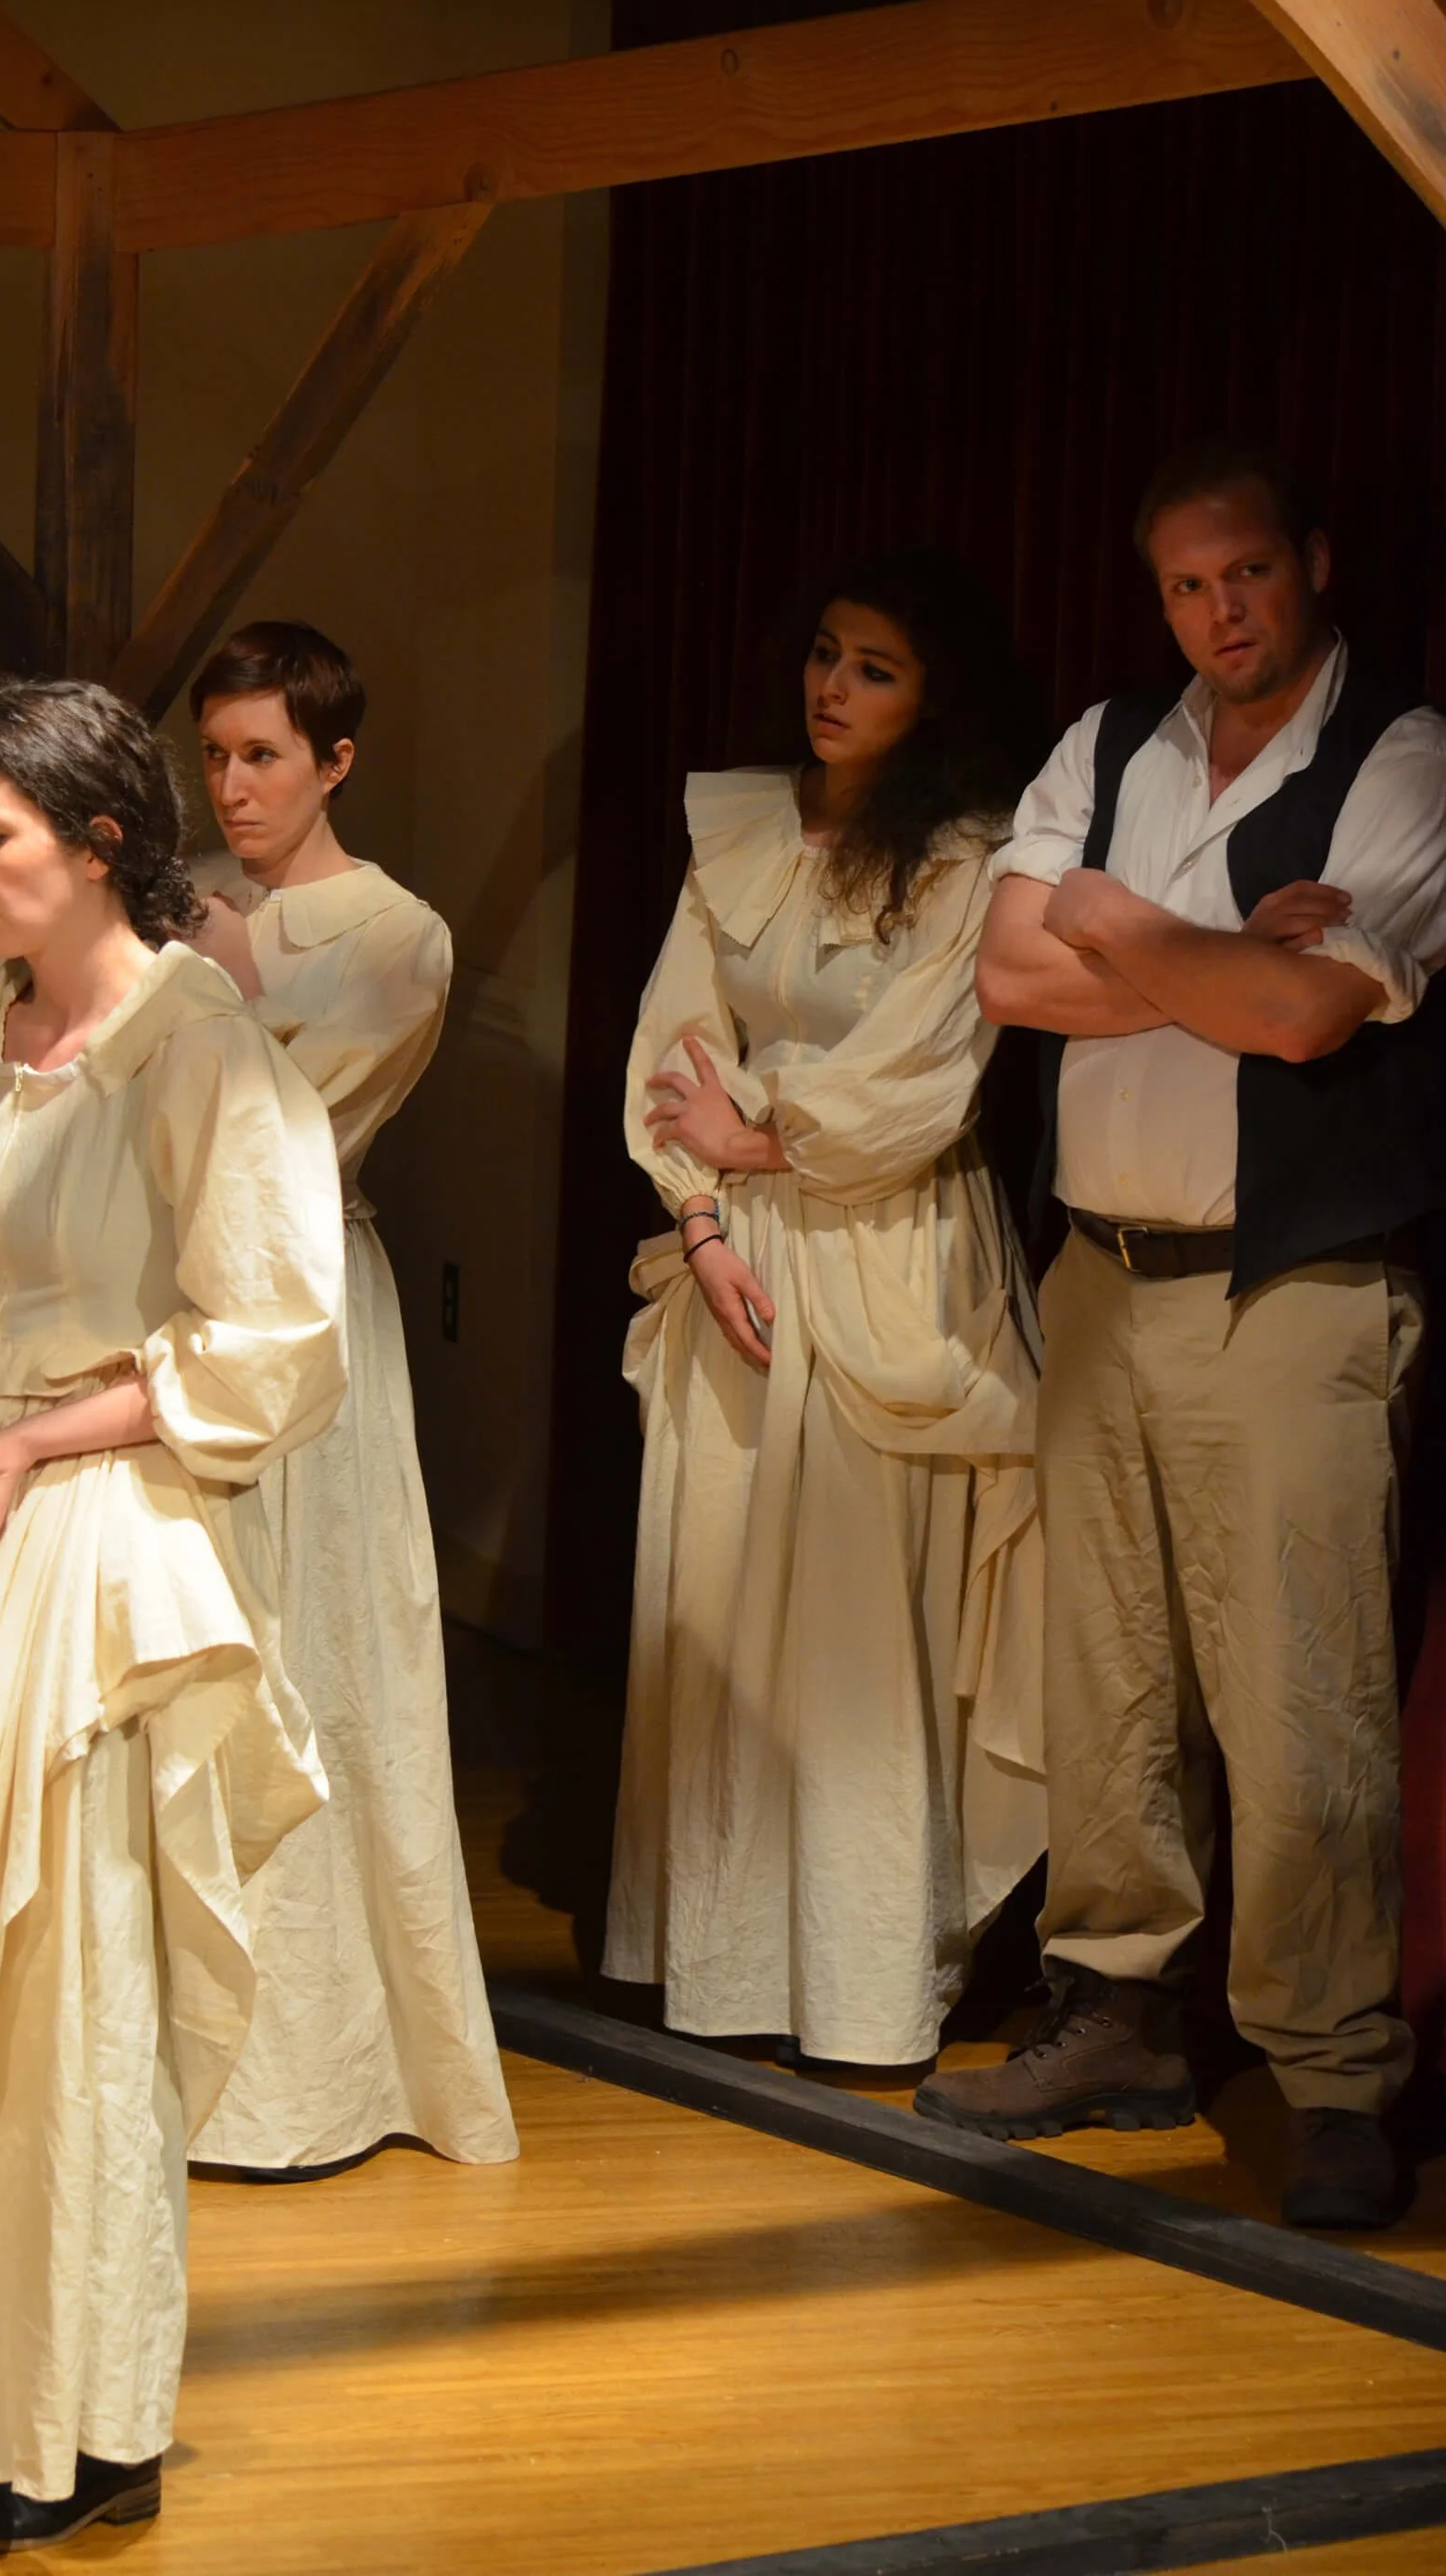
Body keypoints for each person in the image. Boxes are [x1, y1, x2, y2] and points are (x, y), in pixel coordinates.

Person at [0, 678, 347, 2552]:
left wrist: (34, 1445)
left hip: (105, 1540)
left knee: (63, 1990)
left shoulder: (200, 1047)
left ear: (101, 843)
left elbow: (267, 1331)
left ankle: (71, 2424)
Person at [916, 438, 1446, 2233]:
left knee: (1303, 1703)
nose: (1219, 613)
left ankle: (1328, 2071)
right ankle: (1120, 2014)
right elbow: (1004, 981)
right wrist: (1216, 950)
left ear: (1312, 560)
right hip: (1102, 1269)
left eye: (1247, 575)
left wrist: (1127, 926)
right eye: (1185, 586)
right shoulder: (1105, 741)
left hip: (1288, 1282)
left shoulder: (1400, 756)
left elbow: (1304, 1018)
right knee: (1111, 1680)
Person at [605, 551, 1049, 2068]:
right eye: (826, 653)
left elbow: (930, 1064)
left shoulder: (968, 858)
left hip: (889, 1250)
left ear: (937, 697)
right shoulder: (741, 829)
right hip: (742, 1248)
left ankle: (864, 1984)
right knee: (729, 1607)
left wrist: (769, 1133)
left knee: (860, 1628)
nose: (832, 685)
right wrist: (703, 1208)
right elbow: (678, 1038)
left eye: (875, 666)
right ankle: (725, 1967)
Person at [186, 621, 517, 2172]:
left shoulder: (397, 934)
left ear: (334, 760)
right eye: (218, 755)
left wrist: (232, 984)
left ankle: (315, 2071)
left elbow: (281, 1142)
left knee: (316, 1655)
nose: (236, 786)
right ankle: (171, 2056)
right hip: (172, 1312)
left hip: (305, 1298)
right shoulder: (188, 902)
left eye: (263, 756)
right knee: (189, 1659)